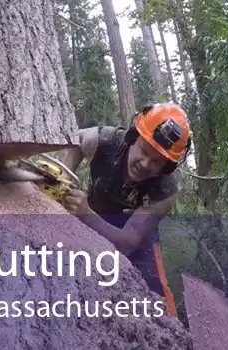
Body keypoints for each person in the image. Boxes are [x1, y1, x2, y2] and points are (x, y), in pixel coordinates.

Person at [60, 103, 192, 318]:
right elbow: (77, 140)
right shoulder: (106, 140)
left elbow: (128, 243)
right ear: (133, 137)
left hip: (137, 236)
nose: (146, 163)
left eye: (157, 162)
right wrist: (65, 177)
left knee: (156, 293)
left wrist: (85, 214)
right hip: (95, 215)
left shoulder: (165, 190)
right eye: (144, 151)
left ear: (167, 167)